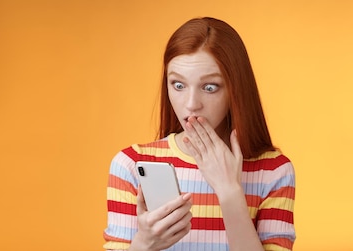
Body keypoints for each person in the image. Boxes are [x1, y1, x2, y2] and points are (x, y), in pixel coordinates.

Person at [103, 17, 296, 251]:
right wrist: (144, 243)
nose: (191, 104)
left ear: (235, 89)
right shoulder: (131, 165)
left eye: (209, 87)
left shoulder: (273, 171)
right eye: (178, 85)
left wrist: (230, 192)